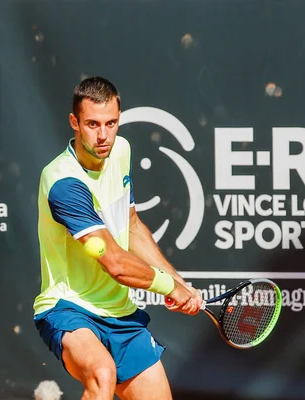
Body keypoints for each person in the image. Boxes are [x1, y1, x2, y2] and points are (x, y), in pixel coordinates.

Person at [33, 76, 203, 400]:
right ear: (74, 122)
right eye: (92, 124)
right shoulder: (63, 182)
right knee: (102, 374)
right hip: (69, 307)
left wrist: (179, 281)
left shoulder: (121, 151)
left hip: (120, 312)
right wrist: (169, 288)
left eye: (111, 123)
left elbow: (132, 225)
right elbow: (115, 262)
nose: (103, 135)